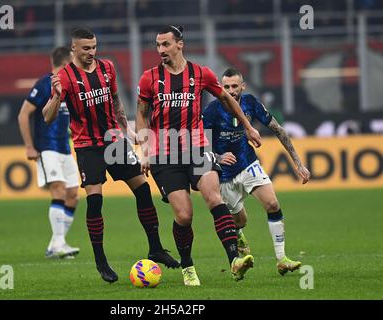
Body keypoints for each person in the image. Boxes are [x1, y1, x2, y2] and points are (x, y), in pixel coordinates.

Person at [43, 27, 179, 283]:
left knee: (142, 189)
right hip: (87, 145)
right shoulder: (65, 77)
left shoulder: (107, 67)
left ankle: (156, 248)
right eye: (85, 49)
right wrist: (57, 97)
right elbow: (47, 117)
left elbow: (115, 99)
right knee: (95, 201)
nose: (91, 53)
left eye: (94, 47)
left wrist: (126, 129)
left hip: (113, 140)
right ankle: (100, 260)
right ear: (74, 48)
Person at [136, 25, 262, 285]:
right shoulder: (149, 78)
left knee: (214, 197)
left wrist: (248, 126)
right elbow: (141, 114)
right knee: (184, 215)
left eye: (166, 44)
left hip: (197, 149)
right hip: (165, 155)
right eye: (158, 45)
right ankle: (187, 266)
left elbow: (227, 99)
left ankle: (234, 260)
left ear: (180, 44)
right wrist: (144, 150)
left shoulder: (200, 74)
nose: (161, 50)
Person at [202, 67, 311, 275]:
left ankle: (282, 259)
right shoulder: (212, 111)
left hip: (247, 162)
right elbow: (200, 143)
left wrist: (298, 164)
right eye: (226, 86)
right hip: (224, 174)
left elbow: (278, 129)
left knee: (272, 203)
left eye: (235, 86)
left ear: (243, 86)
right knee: (240, 220)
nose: (231, 90)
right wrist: (217, 157)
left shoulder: (251, 102)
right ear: (219, 87)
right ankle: (239, 233)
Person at [18, 47, 80, 259]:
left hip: (65, 148)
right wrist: (29, 146)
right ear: (65, 64)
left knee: (73, 195)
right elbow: (23, 114)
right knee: (59, 190)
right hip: (47, 148)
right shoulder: (45, 84)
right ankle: (60, 243)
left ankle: (55, 244)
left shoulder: (69, 86)